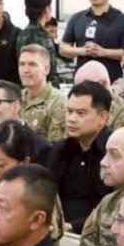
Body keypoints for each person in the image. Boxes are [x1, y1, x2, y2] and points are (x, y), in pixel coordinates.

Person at [46, 80, 113, 231]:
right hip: (57, 229)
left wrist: (71, 226)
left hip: (98, 233)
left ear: (103, 118)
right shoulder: (60, 150)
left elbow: (111, 209)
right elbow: (48, 195)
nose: (72, 119)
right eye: (69, 111)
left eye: (80, 113)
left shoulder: (113, 154)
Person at [60, 0, 124, 81]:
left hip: (111, 82)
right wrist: (81, 51)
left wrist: (104, 52)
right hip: (82, 82)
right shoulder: (77, 18)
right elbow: (63, 48)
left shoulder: (122, 20)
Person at [17, 44, 66, 142]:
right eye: (22, 64)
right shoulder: (15, 98)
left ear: (46, 69)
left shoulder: (58, 102)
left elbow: (56, 146)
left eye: (32, 64)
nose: (25, 70)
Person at [13, 0, 61, 86]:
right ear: (47, 9)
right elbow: (49, 71)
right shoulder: (41, 36)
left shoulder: (22, 34)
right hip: (45, 90)